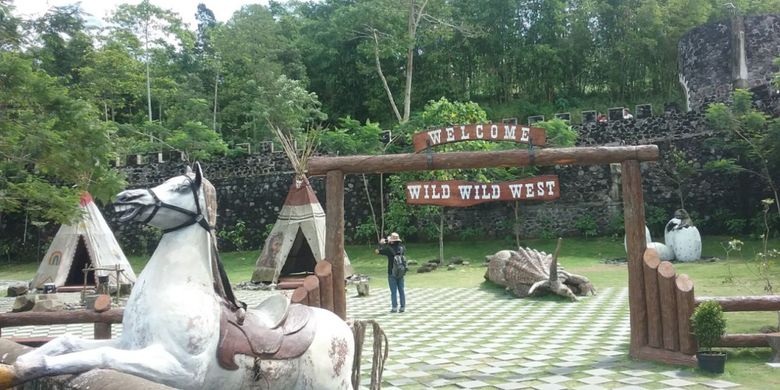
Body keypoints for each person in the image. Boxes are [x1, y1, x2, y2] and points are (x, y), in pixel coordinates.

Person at [375, 232, 406, 313]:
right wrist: (388, 242)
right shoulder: (402, 248)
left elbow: (377, 251)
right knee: (401, 290)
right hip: (401, 272)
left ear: (392, 241)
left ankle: (394, 307)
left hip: (391, 272)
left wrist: (381, 244)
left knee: (393, 291)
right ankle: (402, 307)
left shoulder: (388, 249)